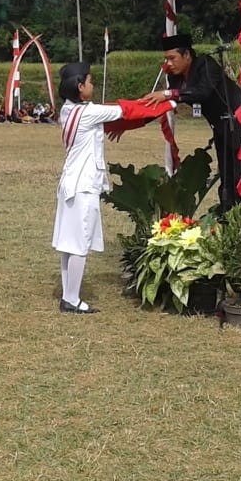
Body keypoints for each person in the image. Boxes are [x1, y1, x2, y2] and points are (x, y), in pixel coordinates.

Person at [52, 61, 175, 314]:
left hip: (71, 182)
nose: (92, 84)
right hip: (83, 184)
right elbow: (128, 111)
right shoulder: (88, 113)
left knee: (69, 242)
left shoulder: (69, 110)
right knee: (79, 244)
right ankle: (72, 299)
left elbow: (117, 118)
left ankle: (69, 295)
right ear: (79, 86)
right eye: (89, 81)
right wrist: (170, 103)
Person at [139, 35, 241, 214]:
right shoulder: (175, 78)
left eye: (172, 58)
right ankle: (228, 220)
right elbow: (169, 102)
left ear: (187, 55)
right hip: (221, 126)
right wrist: (134, 120)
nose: (169, 63)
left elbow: (201, 92)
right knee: (226, 179)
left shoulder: (206, 64)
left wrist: (168, 93)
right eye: (166, 59)